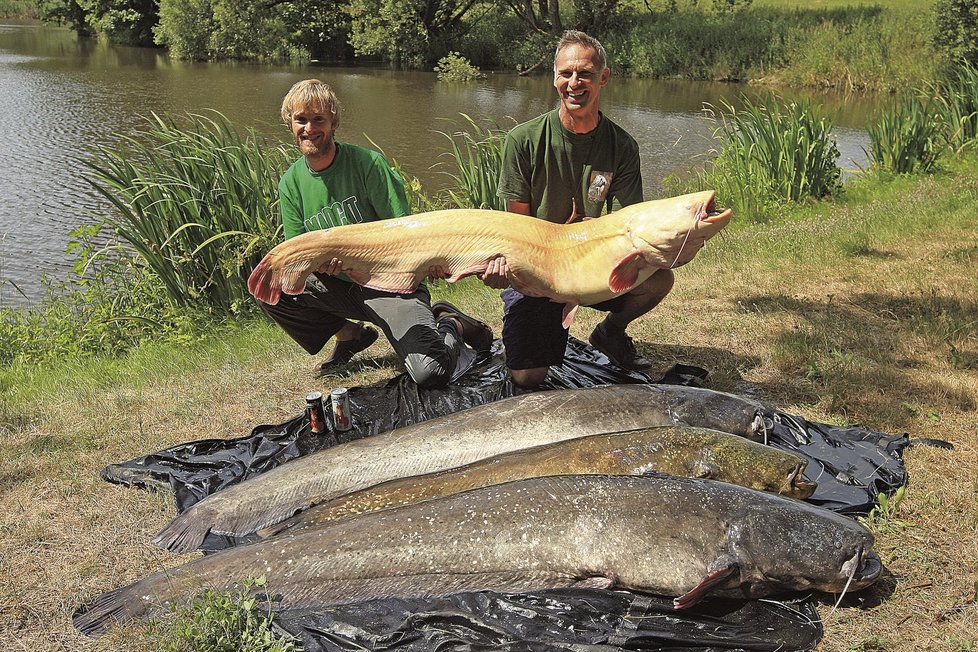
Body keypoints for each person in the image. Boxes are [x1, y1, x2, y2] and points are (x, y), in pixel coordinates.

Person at [260, 79, 492, 388]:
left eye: (319, 119)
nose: (309, 128)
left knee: (430, 372)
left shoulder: (368, 164)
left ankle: (451, 323)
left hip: (391, 287)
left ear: (333, 122)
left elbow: (409, 236)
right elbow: (297, 252)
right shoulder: (291, 183)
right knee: (268, 282)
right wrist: (318, 265)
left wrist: (429, 261)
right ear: (290, 123)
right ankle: (350, 334)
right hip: (339, 287)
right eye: (301, 119)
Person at [483, 30, 674, 388]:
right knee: (527, 376)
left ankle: (610, 333)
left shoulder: (623, 146)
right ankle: (463, 324)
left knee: (658, 278)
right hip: (537, 270)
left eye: (584, 73)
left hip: (592, 265)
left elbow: (629, 224)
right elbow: (515, 227)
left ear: (603, 77)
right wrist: (504, 267)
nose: (574, 83)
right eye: (565, 73)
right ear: (554, 77)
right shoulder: (522, 140)